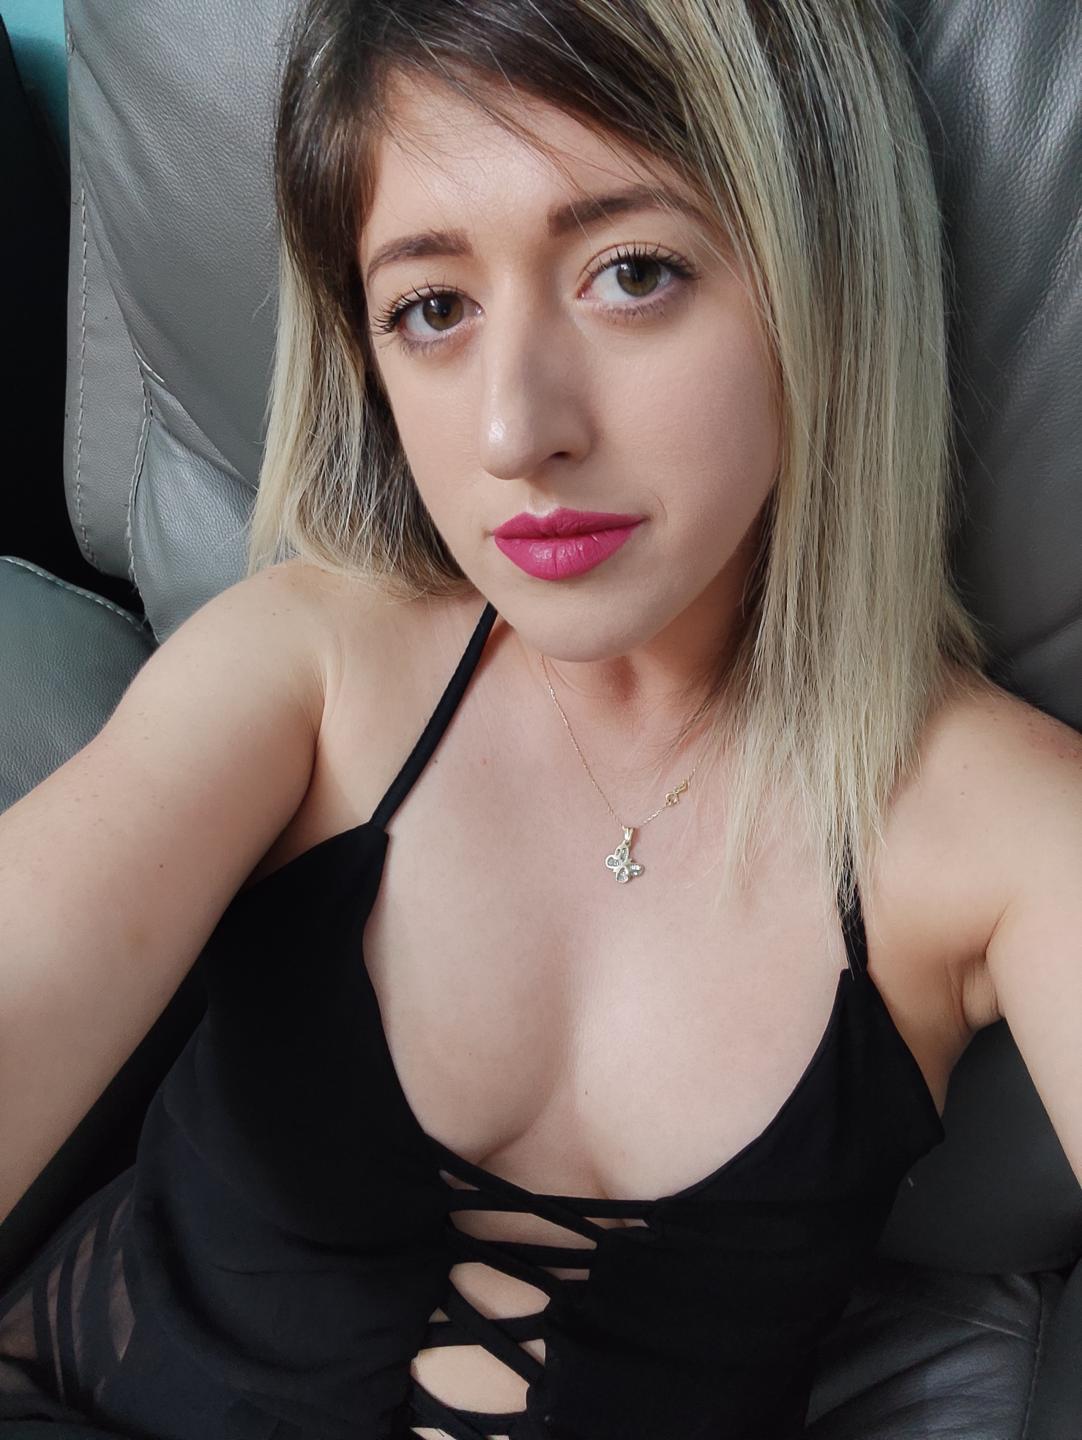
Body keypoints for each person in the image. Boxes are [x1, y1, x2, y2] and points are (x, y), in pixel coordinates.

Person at [1, 0, 1080, 1436]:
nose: (515, 432)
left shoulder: (1002, 827)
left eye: (631, 274)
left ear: (825, 277)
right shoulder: (307, 671)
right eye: (432, 309)